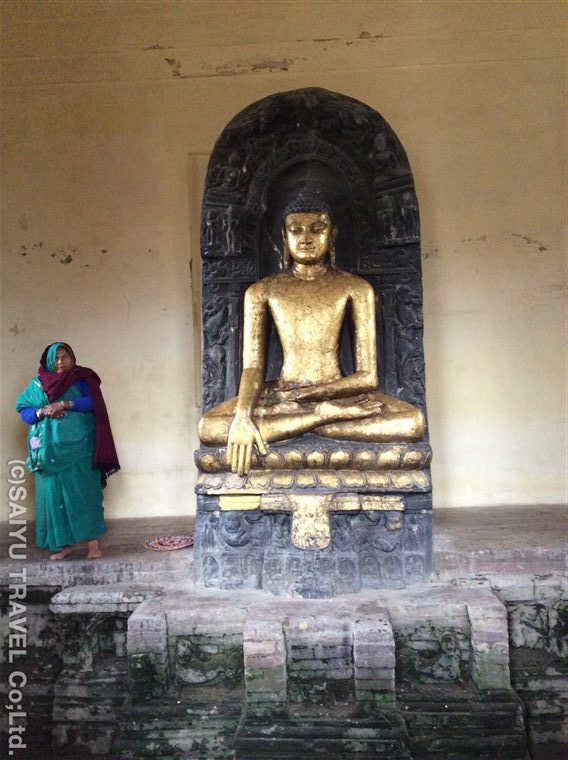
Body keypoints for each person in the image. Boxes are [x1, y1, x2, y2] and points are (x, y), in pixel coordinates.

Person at [198, 192, 425, 476]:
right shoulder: (261, 292)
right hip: (283, 394)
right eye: (296, 230)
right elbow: (253, 367)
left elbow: (368, 377)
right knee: (208, 427)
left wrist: (309, 395)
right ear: (284, 238)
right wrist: (243, 416)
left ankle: (310, 419)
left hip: (338, 395)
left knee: (413, 422)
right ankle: (320, 419)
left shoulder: (355, 288)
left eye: (317, 229)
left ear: (333, 236)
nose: (306, 238)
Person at [16, 342, 120, 560]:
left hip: (80, 449)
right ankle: (62, 545)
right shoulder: (37, 385)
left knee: (85, 494)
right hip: (49, 454)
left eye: (65, 357)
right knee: (55, 499)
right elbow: (25, 412)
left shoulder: (82, 378)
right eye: (56, 358)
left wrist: (64, 403)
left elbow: (93, 403)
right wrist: (43, 411)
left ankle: (92, 543)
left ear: (72, 358)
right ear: (48, 361)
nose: (61, 362)